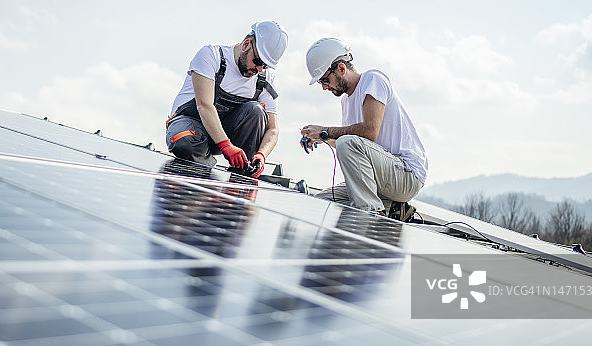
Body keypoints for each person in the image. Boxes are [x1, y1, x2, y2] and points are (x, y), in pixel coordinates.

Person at [300, 37, 427, 221]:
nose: (324, 87)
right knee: (321, 202)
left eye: (325, 80)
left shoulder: (372, 80)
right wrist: (323, 137)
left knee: (347, 142)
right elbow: (352, 146)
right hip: (381, 177)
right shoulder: (346, 100)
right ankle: (391, 208)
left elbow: (369, 132)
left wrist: (325, 130)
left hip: (407, 175)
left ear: (341, 68)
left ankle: (371, 214)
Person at [166, 21, 288, 178]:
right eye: (258, 61)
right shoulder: (211, 56)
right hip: (191, 124)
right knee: (184, 141)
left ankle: (243, 173)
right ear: (246, 44)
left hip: (225, 133)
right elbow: (204, 105)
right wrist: (226, 146)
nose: (259, 69)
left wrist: (261, 155)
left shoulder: (265, 78)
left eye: (265, 66)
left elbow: (273, 129)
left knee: (256, 111)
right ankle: (203, 168)